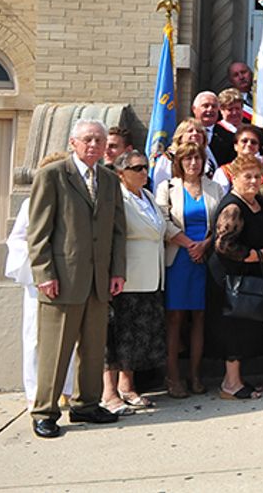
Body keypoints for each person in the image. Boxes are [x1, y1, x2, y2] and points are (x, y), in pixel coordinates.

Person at [27, 119, 127, 438]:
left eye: (99, 139)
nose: (94, 145)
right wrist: (44, 274)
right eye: (87, 139)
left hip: (99, 280)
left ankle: (86, 405)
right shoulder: (53, 176)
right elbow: (39, 232)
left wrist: (117, 271)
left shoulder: (110, 180)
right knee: (56, 350)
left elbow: (118, 232)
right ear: (73, 142)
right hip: (63, 279)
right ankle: (45, 411)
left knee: (94, 348)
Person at [4, 153, 74, 409]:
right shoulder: (31, 204)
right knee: (35, 336)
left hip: (69, 278)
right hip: (41, 280)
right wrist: (41, 272)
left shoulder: (73, 201)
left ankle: (66, 388)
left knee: (68, 336)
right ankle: (36, 392)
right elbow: (19, 240)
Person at [102, 150, 166, 414]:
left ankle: (128, 387)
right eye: (137, 168)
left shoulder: (148, 196)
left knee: (136, 338)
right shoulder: (117, 198)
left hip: (151, 277)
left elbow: (160, 229)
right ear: (121, 173)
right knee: (116, 335)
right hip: (126, 278)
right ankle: (109, 391)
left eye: (145, 168)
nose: (143, 173)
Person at [155, 142, 221, 398]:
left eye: (197, 158)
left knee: (200, 318)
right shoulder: (168, 188)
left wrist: (204, 246)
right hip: (179, 258)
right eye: (188, 159)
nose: (193, 163)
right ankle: (173, 376)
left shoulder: (214, 187)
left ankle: (195, 374)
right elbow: (162, 220)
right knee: (175, 319)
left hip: (204, 258)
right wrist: (189, 244)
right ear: (179, 162)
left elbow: (220, 222)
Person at [208, 155, 263, 400]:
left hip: (246, 276)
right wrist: (258, 255)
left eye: (258, 176)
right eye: (247, 176)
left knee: (243, 327)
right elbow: (224, 245)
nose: (254, 180)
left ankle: (236, 379)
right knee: (232, 329)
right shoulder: (233, 207)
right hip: (229, 278)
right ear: (234, 178)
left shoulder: (256, 201)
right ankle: (230, 385)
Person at [152, 118, 216, 187]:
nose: (195, 133)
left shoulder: (208, 160)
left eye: (199, 131)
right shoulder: (168, 158)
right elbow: (159, 186)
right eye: (190, 131)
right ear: (180, 137)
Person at [214, 125, 263, 193]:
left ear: (258, 148)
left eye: (253, 142)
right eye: (244, 141)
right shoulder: (223, 173)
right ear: (235, 146)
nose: (249, 144)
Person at [193, 91, 235, 165]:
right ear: (194, 109)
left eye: (214, 106)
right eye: (205, 106)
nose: (210, 109)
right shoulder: (186, 133)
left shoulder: (229, 137)